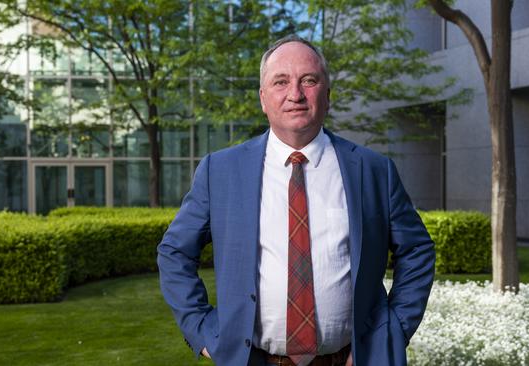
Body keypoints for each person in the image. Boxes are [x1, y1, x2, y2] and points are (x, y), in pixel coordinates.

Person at [157, 35, 435, 366]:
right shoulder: (220, 171)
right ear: (263, 98)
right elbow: (175, 252)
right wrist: (202, 330)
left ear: (327, 95)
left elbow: (416, 250)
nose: (295, 94)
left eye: (309, 80)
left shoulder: (374, 171)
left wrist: (394, 330)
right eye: (281, 82)